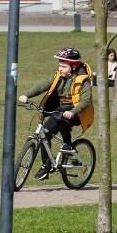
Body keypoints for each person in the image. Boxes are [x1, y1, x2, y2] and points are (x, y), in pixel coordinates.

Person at [18, 48, 94, 181]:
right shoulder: (58, 76)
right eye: (59, 65)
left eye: (63, 66)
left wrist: (72, 112)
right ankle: (46, 165)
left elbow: (85, 101)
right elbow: (43, 85)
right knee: (44, 134)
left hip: (78, 112)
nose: (60, 69)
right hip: (61, 110)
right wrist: (27, 95)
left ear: (73, 66)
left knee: (61, 118)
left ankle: (68, 144)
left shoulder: (84, 81)